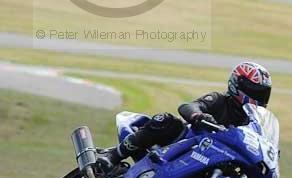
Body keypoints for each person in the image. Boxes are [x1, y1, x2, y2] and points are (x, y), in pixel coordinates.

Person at [99, 61, 272, 167]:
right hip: (185, 143)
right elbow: (188, 106)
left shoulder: (251, 120)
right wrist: (199, 116)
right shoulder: (219, 100)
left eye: (262, 93)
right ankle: (113, 156)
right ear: (238, 84)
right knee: (164, 119)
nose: (258, 96)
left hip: (213, 157)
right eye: (254, 90)